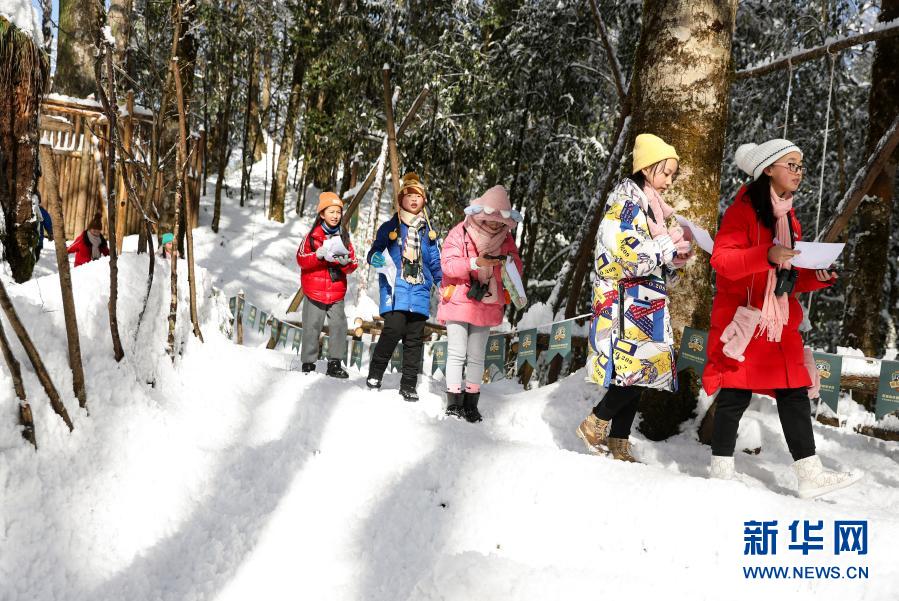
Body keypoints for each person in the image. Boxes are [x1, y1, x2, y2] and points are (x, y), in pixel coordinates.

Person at [703, 138, 862, 498]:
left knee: (793, 392)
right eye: (791, 164)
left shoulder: (789, 217)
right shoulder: (742, 210)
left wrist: (817, 276)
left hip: (778, 321)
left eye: (801, 166)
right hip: (745, 318)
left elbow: (789, 274)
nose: (798, 172)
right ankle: (720, 471)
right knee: (734, 395)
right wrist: (766, 253)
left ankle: (810, 474)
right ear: (769, 168)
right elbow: (722, 261)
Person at [577, 133, 694, 462]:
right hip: (624, 302)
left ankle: (619, 441)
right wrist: (666, 246)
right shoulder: (625, 204)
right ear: (646, 168)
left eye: (673, 173)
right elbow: (627, 256)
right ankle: (597, 422)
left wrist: (674, 260)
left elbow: (654, 259)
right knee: (636, 369)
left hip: (644, 300)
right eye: (666, 172)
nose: (670, 180)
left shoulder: (652, 208)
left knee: (640, 372)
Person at [436, 185, 523, 422]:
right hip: (458, 298)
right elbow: (448, 265)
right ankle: (453, 401)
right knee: (456, 352)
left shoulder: (506, 239)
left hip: (487, 301)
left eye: (499, 221)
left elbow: (517, 267)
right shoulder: (459, 232)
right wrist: (475, 262)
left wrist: (504, 263)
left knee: (476, 356)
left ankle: (471, 402)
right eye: (490, 218)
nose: (495, 224)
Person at [365, 173, 442, 401]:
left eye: (419, 196)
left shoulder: (429, 232)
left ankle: (408, 384)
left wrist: (441, 281)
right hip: (396, 289)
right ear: (401, 200)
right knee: (393, 331)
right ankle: (375, 374)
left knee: (414, 340)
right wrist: (375, 257)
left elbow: (435, 262)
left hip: (419, 290)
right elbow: (375, 250)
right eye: (410, 195)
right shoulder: (392, 226)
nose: (415, 199)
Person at [296, 192, 357, 378]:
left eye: (338, 212)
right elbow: (300, 259)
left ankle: (335, 363)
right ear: (322, 213)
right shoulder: (312, 237)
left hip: (336, 290)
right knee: (311, 326)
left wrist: (345, 262)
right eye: (331, 211)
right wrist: (317, 256)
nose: (335, 215)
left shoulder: (344, 236)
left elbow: (353, 264)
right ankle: (308, 363)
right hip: (314, 291)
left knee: (339, 326)